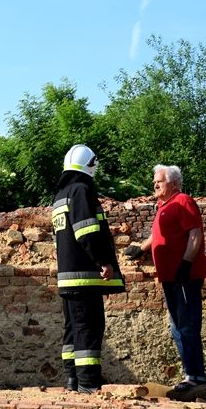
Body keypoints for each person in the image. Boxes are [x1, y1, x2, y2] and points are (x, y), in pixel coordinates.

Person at [124, 164, 206, 391]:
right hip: (171, 277)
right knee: (177, 326)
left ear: (173, 183)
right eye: (154, 181)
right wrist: (141, 248)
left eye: (159, 181)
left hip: (184, 277)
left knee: (186, 325)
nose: (155, 184)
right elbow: (158, 235)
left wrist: (186, 263)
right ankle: (191, 373)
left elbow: (195, 233)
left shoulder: (183, 201)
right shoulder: (165, 205)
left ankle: (195, 376)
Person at [52, 144, 125, 393]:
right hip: (84, 277)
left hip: (67, 277)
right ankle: (88, 384)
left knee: (73, 329)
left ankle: (73, 381)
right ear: (90, 166)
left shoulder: (61, 196)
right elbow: (87, 231)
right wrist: (103, 260)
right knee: (89, 328)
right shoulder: (82, 191)